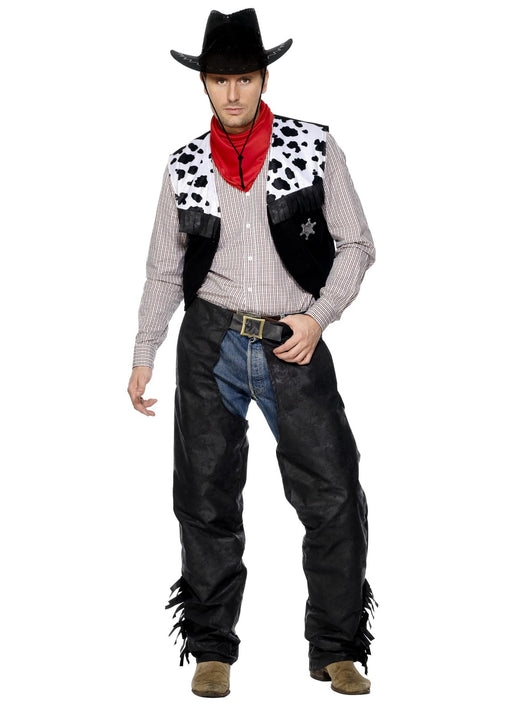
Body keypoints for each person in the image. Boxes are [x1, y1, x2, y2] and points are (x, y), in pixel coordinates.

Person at [127, 8, 377, 699]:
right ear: (204, 84)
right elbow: (164, 269)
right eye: (219, 79)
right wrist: (145, 351)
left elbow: (357, 244)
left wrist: (317, 318)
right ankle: (211, 648)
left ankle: (337, 648)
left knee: (333, 494)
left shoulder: (313, 146)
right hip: (209, 339)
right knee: (203, 496)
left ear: (264, 79)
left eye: (243, 78)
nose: (232, 92)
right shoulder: (184, 164)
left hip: (292, 338)